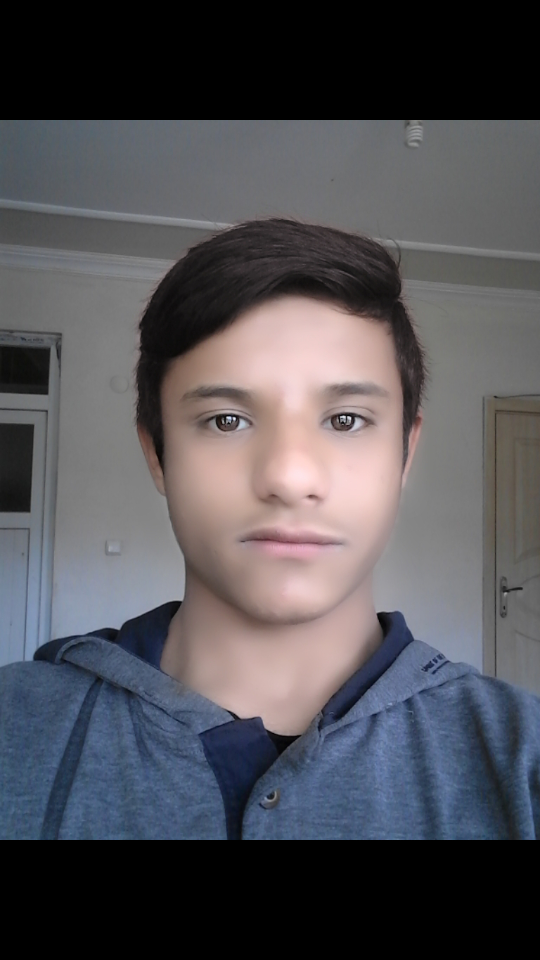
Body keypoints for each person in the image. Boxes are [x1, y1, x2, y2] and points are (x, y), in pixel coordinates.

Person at [1, 218, 539, 840]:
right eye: (227, 420)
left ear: (405, 453)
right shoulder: (19, 726)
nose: (288, 476)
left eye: (345, 419)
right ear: (157, 453)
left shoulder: (519, 758)